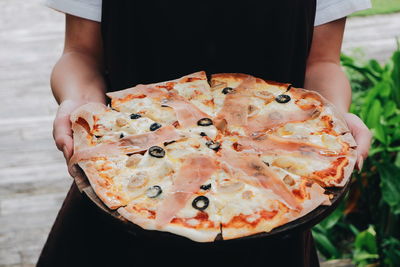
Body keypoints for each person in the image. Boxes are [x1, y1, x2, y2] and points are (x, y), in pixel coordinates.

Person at [38, 0, 373, 266]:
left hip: (269, 206)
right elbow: (80, 52)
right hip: (122, 191)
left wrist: (334, 120)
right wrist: (79, 104)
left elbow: (322, 63)